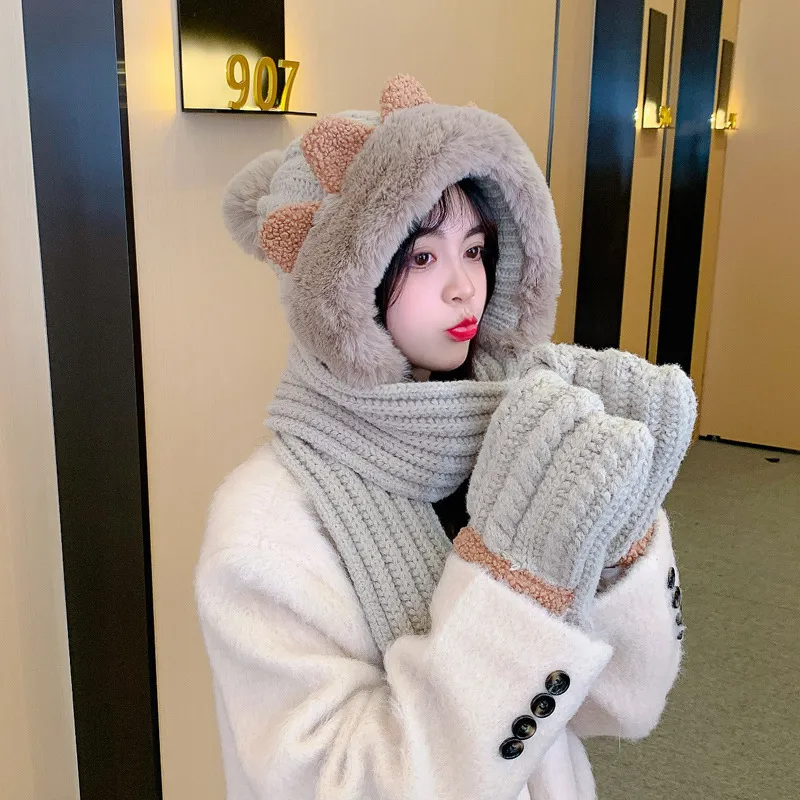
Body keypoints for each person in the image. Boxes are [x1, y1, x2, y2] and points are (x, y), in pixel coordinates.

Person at [195, 74, 696, 800]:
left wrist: (622, 530)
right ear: (347, 283)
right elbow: (344, 786)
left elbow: (623, 705)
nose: (466, 287)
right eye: (423, 257)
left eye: (476, 248)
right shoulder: (267, 529)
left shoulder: (525, 438)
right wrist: (516, 588)